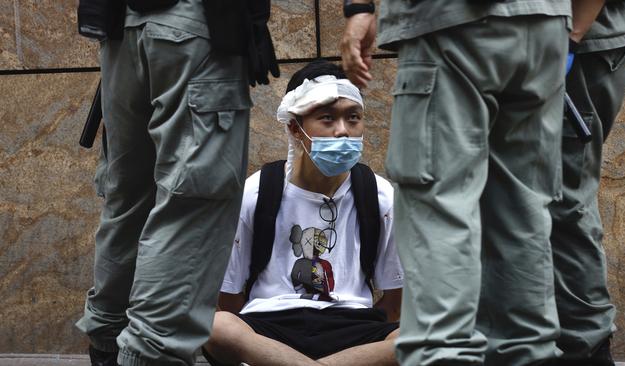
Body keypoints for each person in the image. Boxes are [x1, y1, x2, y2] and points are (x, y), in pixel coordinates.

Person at [341, 0, 609, 365]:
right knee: (523, 208)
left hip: (452, 22)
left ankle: (443, 355)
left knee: (438, 203)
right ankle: (526, 353)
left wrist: (361, 8)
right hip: (545, 23)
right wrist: (570, 30)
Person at [75, 1, 256, 365]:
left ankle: (109, 340)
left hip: (120, 26)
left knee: (128, 197)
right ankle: (150, 352)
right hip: (195, 21)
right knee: (192, 201)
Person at [202, 60, 404, 366]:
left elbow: (395, 305)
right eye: (327, 118)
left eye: (353, 118)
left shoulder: (379, 195)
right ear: (295, 127)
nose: (342, 132)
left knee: (414, 339)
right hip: (269, 328)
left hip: (354, 327)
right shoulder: (256, 192)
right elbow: (228, 301)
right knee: (216, 327)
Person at [547, 2, 625, 365]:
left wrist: (570, 38)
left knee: (565, 199)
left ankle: (586, 348)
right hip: (570, 42)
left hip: (579, 45)